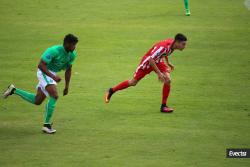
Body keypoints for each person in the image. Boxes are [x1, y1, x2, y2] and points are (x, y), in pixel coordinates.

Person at [3, 34, 79, 134]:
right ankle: (46, 125)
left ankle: (13, 90)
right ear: (67, 44)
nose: (75, 47)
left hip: (52, 74)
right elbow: (41, 65)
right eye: (73, 45)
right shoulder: (53, 51)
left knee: (37, 100)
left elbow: (68, 69)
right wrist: (53, 77)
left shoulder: (72, 54)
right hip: (44, 71)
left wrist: (67, 87)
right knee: (54, 95)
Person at [105, 33, 187, 113]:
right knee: (133, 82)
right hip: (148, 62)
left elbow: (163, 54)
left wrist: (168, 63)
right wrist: (159, 73)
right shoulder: (163, 47)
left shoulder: (172, 45)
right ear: (177, 42)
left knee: (168, 80)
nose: (184, 46)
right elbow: (151, 59)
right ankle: (111, 90)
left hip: (157, 61)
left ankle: (163, 106)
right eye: (183, 44)